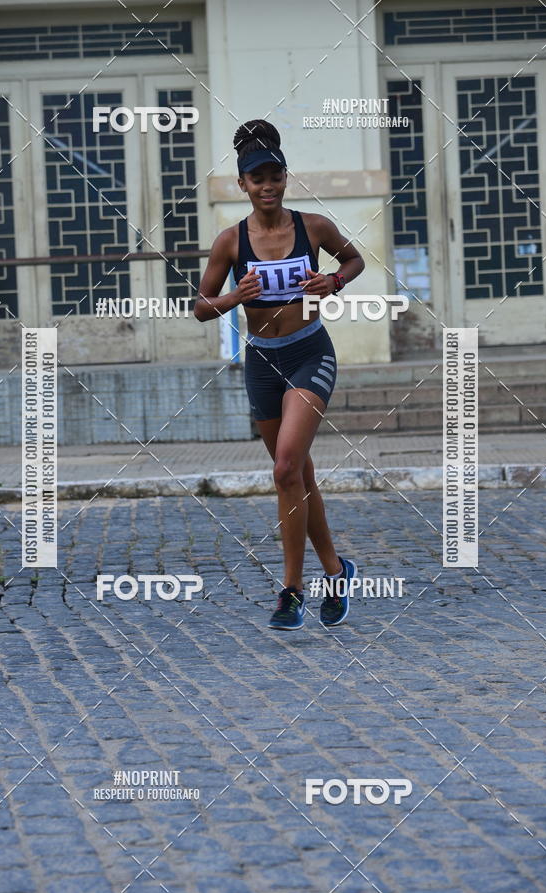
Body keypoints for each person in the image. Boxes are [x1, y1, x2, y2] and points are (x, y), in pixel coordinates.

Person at [194, 119, 365, 630]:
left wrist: (332, 280)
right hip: (262, 365)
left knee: (286, 468)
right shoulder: (230, 241)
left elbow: (355, 261)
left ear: (286, 178)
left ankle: (291, 590)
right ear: (242, 185)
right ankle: (336, 571)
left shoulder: (313, 227)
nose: (266, 185)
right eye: (255, 178)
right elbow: (201, 307)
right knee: (298, 474)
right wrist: (234, 297)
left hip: (310, 353)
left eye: (274, 175)